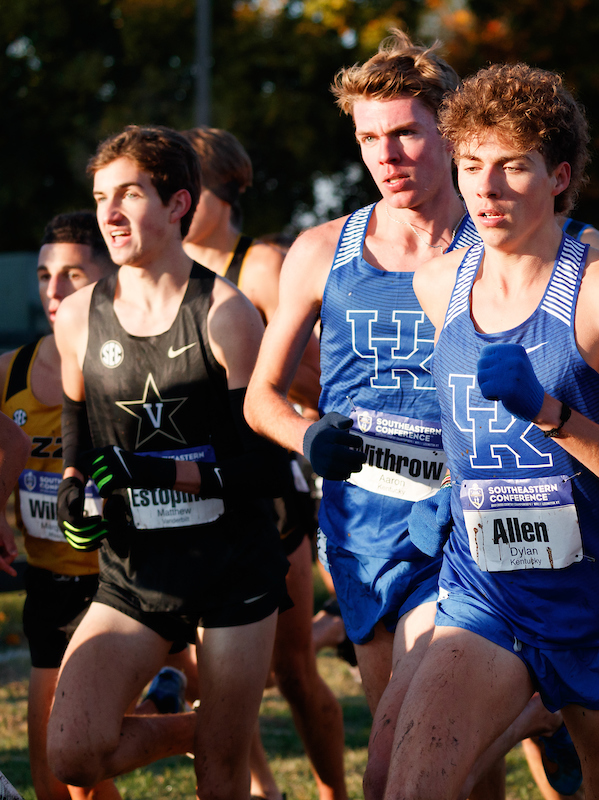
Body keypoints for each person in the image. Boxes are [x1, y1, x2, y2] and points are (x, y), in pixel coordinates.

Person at [390, 62, 599, 800]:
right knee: (406, 788)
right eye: (470, 167)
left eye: (511, 167)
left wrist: (553, 415)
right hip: (484, 591)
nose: (485, 189)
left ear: (558, 176)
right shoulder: (437, 285)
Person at [242, 29, 490, 800]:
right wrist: (308, 435)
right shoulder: (322, 250)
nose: (387, 155)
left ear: (448, 131)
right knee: (413, 742)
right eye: (369, 138)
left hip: (481, 512)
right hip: (366, 529)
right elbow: (262, 396)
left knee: (429, 741)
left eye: (406, 133)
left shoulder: (500, 243)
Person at [46, 125, 291, 798]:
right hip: (136, 572)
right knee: (71, 754)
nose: (111, 213)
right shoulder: (75, 319)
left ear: (179, 203)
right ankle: (198, 729)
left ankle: (219, 741)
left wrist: (160, 471)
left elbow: (265, 470)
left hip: (232, 568)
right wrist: (74, 488)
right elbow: (77, 429)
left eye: (130, 194)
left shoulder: (228, 314)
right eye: (101, 197)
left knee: (221, 777)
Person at [182, 125, 346, 800]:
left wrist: (250, 371)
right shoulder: (155, 275)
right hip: (195, 485)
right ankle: (262, 792)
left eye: (183, 185)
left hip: (270, 484)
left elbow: (312, 378)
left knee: (293, 666)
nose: (172, 197)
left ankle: (334, 791)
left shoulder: (260, 267)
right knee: (208, 662)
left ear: (220, 190)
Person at [0, 212, 120, 800]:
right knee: (57, 770)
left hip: (126, 582)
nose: (55, 291)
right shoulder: (10, 372)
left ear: (107, 278)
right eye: (46, 275)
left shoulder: (127, 367)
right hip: (49, 582)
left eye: (72, 274)